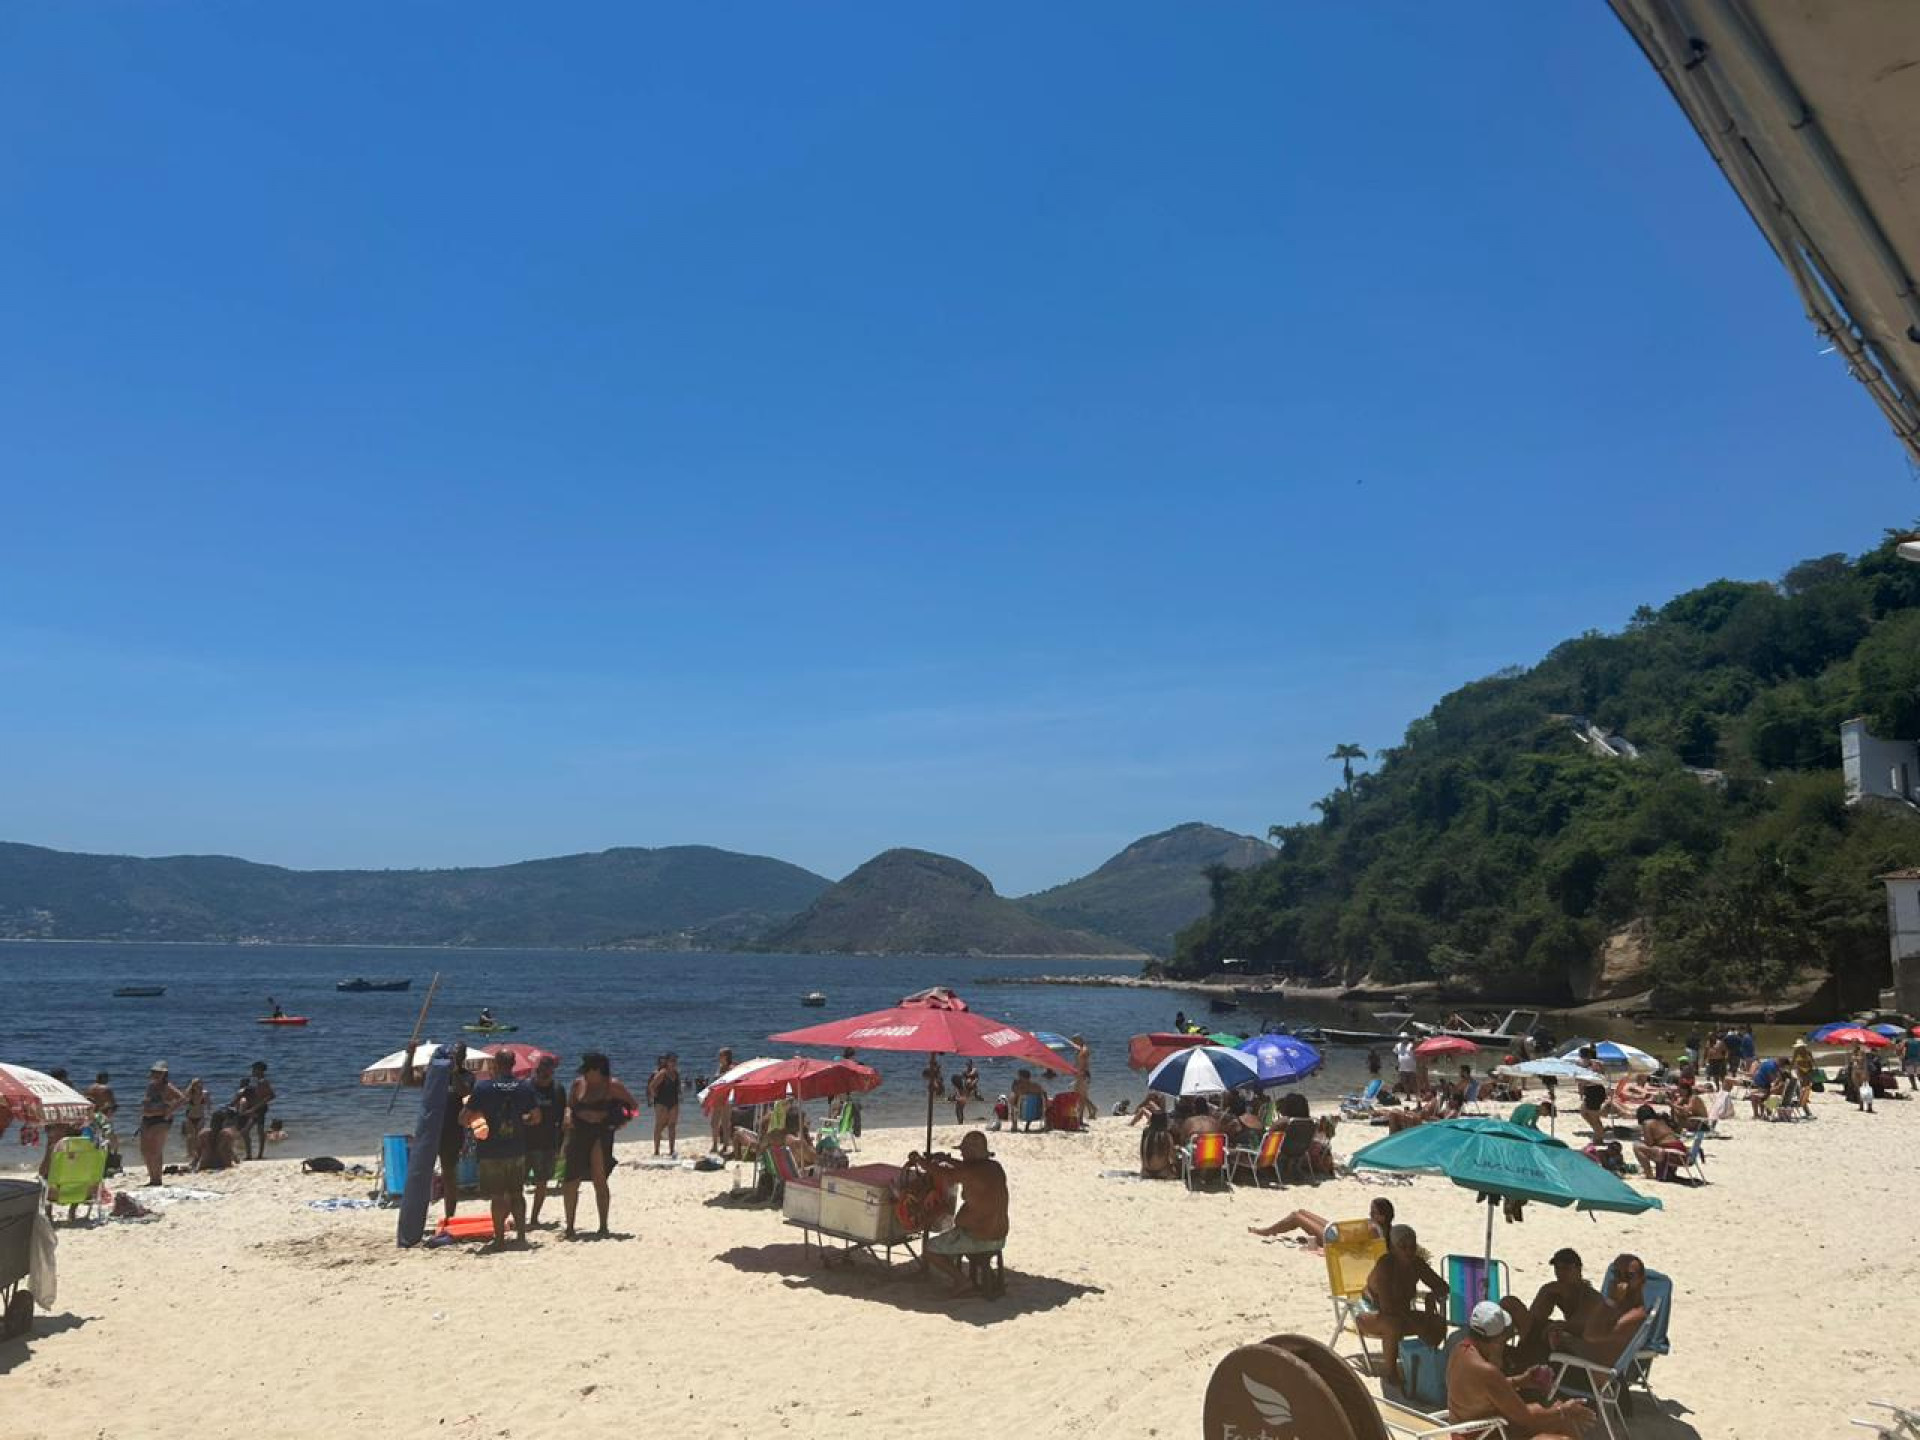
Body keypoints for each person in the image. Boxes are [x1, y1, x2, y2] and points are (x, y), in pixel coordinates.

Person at [1448, 1301, 1594, 1438]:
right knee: (1560, 1423)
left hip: (1470, 1430)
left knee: (1555, 1416)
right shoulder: (1486, 1370)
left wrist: (1520, 1381)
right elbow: (1526, 1418)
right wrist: (1564, 1410)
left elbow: (1482, 1388)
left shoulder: (1461, 1350)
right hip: (1486, 1434)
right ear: (1496, 1339)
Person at [462, 1050, 542, 1247]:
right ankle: (521, 1236)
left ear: (495, 1065)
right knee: (517, 1193)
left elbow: (463, 1118)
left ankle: (499, 1239)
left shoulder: (483, 1088)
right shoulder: (524, 1087)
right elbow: (537, 1117)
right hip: (516, 1148)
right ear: (513, 1063)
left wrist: (476, 1120)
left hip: (491, 1150)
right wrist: (523, 1121)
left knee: (497, 1195)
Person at [914, 1131, 1008, 1294]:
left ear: (971, 1153)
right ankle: (986, 1275)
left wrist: (920, 1161)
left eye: (964, 1151)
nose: (962, 1154)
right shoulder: (994, 1167)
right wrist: (947, 1159)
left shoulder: (971, 1173)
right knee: (959, 1243)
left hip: (979, 1237)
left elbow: (945, 1175)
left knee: (929, 1250)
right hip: (999, 1236)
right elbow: (965, 1168)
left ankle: (962, 1282)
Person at [1357, 1224, 1448, 1381]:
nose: (1408, 1251)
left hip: (1400, 1314)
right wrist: (1419, 1324)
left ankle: (1426, 1365)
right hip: (1370, 1312)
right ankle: (1391, 1373)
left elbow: (1443, 1286)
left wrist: (1432, 1295)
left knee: (1438, 1322)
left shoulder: (1417, 1263)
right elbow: (1387, 1307)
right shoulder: (1385, 1265)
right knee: (1393, 1325)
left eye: (1412, 1246)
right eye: (1403, 1246)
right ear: (1392, 1248)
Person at [563, 1051, 636, 1240]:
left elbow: (633, 1107)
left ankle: (603, 1226)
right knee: (571, 1180)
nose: (585, 1074)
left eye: (588, 1070)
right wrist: (568, 1115)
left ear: (597, 1070)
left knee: (599, 1178)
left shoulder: (612, 1086)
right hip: (578, 1133)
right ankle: (569, 1227)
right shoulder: (579, 1083)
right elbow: (570, 1105)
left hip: (600, 1134)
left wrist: (616, 1122)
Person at [1499, 1247, 1604, 1368]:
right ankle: (1500, 1347)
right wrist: (1546, 1293)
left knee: (1555, 1334)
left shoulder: (1590, 1297)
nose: (1561, 1273)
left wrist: (1559, 1325)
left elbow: (1580, 1327)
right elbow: (1535, 1318)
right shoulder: (1558, 1290)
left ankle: (1523, 1357)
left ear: (1578, 1270)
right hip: (1555, 1336)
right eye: (1557, 1269)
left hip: (1579, 1345)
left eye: (1566, 1269)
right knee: (1510, 1303)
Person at [1560, 1253, 1649, 1368]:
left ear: (1642, 1281)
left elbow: (1590, 1335)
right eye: (1617, 1274)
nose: (1622, 1281)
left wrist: (1610, 1301)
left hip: (1593, 1375)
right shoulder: (1622, 1308)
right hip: (1588, 1363)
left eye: (1629, 1276)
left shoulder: (1635, 1315)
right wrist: (1564, 1329)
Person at [1248, 1195, 1394, 1250]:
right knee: (1302, 1212)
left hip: (1334, 1240)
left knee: (1296, 1217)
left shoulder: (1374, 1230)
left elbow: (1354, 1246)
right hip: (1338, 1233)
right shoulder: (1386, 1230)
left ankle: (1266, 1231)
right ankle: (1268, 1230)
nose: (1370, 1214)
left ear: (1382, 1217)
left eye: (1373, 1212)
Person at [525, 1054, 566, 1227]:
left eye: (548, 1070)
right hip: (525, 1142)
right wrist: (526, 1118)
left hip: (548, 1143)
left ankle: (534, 1218)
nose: (544, 1074)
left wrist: (561, 1146)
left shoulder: (558, 1089)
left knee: (542, 1182)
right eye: (541, 1070)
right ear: (536, 1069)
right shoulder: (526, 1087)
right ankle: (518, 1216)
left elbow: (563, 1118)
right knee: (516, 1183)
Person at [438, 1043, 475, 1221]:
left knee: (449, 1175)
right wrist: (410, 1057)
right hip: (433, 1129)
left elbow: (465, 1092)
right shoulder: (437, 1074)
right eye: (452, 1055)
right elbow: (409, 1080)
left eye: (458, 1055)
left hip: (452, 1131)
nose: (454, 1058)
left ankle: (449, 1215)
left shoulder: (467, 1076)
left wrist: (454, 1072)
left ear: (463, 1057)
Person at [138, 1062, 185, 1186]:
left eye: (158, 1073)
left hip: (160, 1120)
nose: (155, 1075)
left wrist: (170, 1110)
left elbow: (182, 1098)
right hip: (147, 1118)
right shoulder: (151, 1086)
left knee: (156, 1150)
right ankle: (152, 1177)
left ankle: (157, 1179)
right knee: (145, 1149)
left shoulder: (167, 1086)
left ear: (164, 1074)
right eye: (154, 1072)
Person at [1631, 1105, 1687, 1180]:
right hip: (1681, 1151)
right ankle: (1668, 1172)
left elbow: (1650, 1143)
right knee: (1656, 1147)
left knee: (1637, 1146)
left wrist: (1642, 1140)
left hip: (1671, 1153)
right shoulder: (1661, 1121)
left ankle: (1649, 1174)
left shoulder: (1646, 1123)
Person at [238, 1061, 275, 1161]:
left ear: (259, 1070)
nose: (252, 1071)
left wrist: (254, 1108)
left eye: (254, 1069)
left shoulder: (263, 1081)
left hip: (260, 1109)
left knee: (254, 1131)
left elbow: (271, 1095)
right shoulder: (258, 1081)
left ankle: (258, 1155)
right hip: (256, 1109)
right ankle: (251, 1155)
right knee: (248, 1131)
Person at [647, 1053, 682, 1156]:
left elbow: (678, 1088)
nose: (674, 1063)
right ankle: (656, 1151)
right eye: (671, 1061)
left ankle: (671, 1150)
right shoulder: (663, 1073)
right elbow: (652, 1086)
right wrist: (656, 1098)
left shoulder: (676, 1073)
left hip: (674, 1102)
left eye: (675, 1061)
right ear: (667, 1062)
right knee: (659, 1126)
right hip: (661, 1103)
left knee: (672, 1126)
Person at [191, 1107, 243, 1171]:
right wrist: (237, 1160)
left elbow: (198, 1152)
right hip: (222, 1163)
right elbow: (230, 1150)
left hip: (206, 1163)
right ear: (223, 1122)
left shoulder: (203, 1133)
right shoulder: (226, 1134)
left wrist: (193, 1163)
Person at [709, 1047, 735, 1155]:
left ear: (726, 1056)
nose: (719, 1057)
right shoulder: (720, 1067)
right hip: (718, 1096)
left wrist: (719, 1077)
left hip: (726, 1097)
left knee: (725, 1122)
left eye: (721, 1055)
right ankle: (715, 1144)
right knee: (714, 1122)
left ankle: (725, 1145)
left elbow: (730, 1079)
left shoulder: (731, 1067)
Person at [1139, 1110, 1178, 1179]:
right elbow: (1172, 1155)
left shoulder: (1146, 1132)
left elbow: (1141, 1151)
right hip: (1162, 1172)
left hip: (1146, 1172)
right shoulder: (1166, 1135)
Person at [1070, 1036, 1095, 1127]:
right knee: (1081, 1098)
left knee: (1079, 1097)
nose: (1073, 1044)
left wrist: (1079, 1074)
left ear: (1079, 1040)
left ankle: (1079, 1118)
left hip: (1082, 1076)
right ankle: (1079, 1118)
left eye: (1074, 1042)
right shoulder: (1080, 1050)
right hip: (1081, 1075)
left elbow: (1083, 1065)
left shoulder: (1083, 1051)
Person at [180, 1078, 209, 1149]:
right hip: (190, 1117)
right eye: (196, 1084)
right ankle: (189, 1153)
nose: (198, 1085)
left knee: (199, 1135)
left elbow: (209, 1104)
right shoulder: (190, 1094)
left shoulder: (205, 1093)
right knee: (190, 1136)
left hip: (201, 1117)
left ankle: (198, 1151)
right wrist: (190, 1087)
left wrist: (209, 1113)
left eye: (199, 1083)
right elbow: (183, 1100)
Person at [1848, 1045, 1875, 1114]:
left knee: (1866, 1090)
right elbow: (1853, 1064)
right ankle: (1861, 1106)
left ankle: (1869, 1107)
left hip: (1862, 1073)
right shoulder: (1854, 1054)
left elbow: (1863, 1063)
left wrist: (1856, 1058)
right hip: (1856, 1073)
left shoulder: (1862, 1053)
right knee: (1859, 1091)